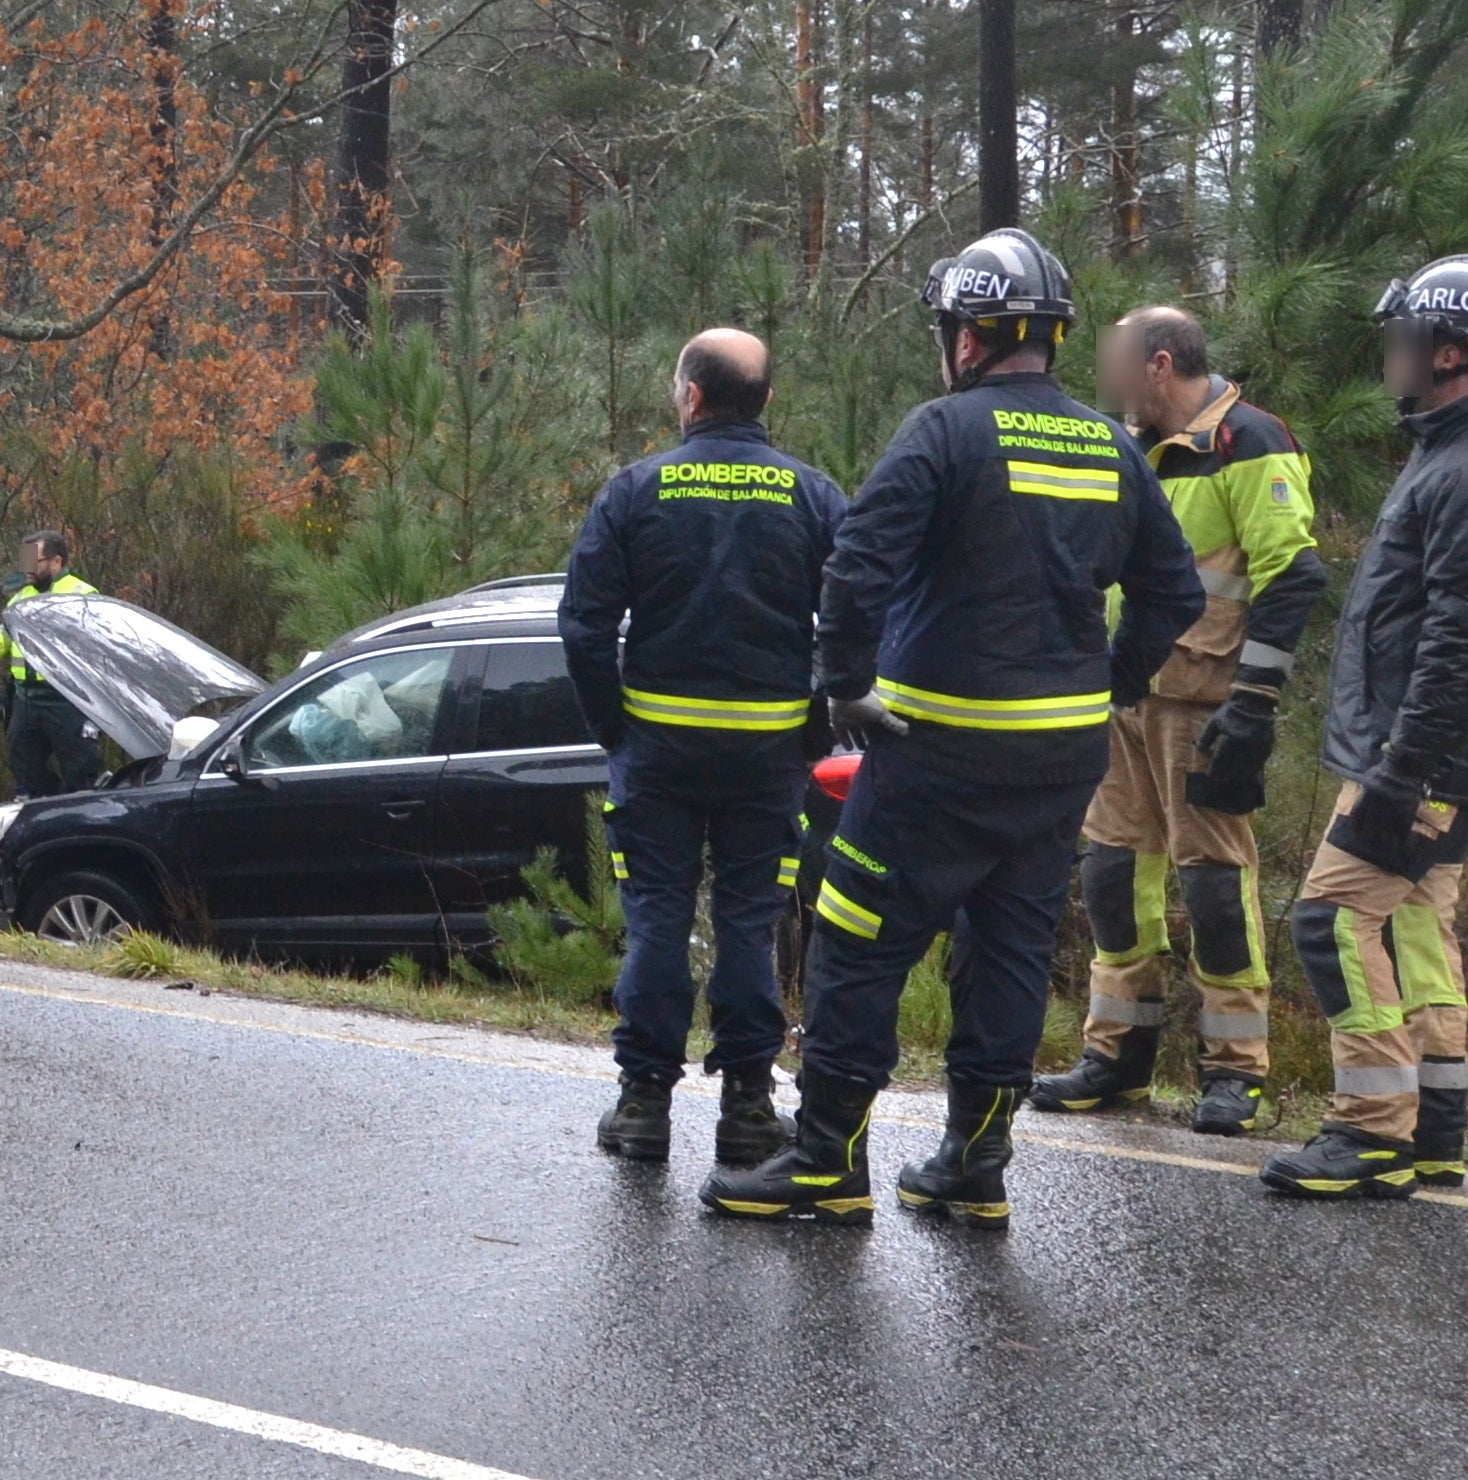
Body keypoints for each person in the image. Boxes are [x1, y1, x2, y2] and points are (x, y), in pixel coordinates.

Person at [706, 230, 1201, 1229]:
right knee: (1011, 949)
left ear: (968, 339)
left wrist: (844, 688)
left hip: (934, 753)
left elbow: (857, 566)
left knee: (853, 939)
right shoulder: (1108, 446)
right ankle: (975, 1166)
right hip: (1060, 761)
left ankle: (825, 1162)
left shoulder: (943, 430)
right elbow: (1174, 590)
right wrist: (1106, 682)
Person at [1267, 254, 1468, 1203]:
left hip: (1418, 758)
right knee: (1420, 930)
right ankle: (1435, 1128)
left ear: (1451, 352)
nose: (1394, 358)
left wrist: (1400, 769)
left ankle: (1371, 1130)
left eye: (1406, 342)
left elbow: (1465, 641)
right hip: (1432, 755)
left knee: (1331, 919)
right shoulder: (1459, 453)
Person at [555, 328, 848, 1170]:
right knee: (750, 926)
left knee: (656, 920)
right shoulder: (813, 495)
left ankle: (645, 1104)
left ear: (690, 397)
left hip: (659, 754)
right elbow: (861, 615)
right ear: (766, 401)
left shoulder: (637, 491)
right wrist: (813, 729)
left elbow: (582, 626)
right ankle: (748, 1109)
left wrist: (616, 727)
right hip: (767, 759)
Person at [1034, 306, 1326, 1136]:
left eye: (1115, 364)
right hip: (1124, 693)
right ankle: (1117, 1057)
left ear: (1159, 366)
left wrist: (1256, 704)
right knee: (1114, 876)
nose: (1105, 379)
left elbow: (1292, 574)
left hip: (1204, 704)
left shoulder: (1249, 441)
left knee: (1214, 886)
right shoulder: (1127, 447)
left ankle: (1236, 1071)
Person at [0, 529, 103, 797]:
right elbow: (6, 632)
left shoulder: (82, 593)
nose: (27, 570)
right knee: (23, 767)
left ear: (56, 562)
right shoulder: (21, 597)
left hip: (68, 697)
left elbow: (96, 642)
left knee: (82, 772)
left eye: (34, 562)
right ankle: (47, 813)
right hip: (26, 699)